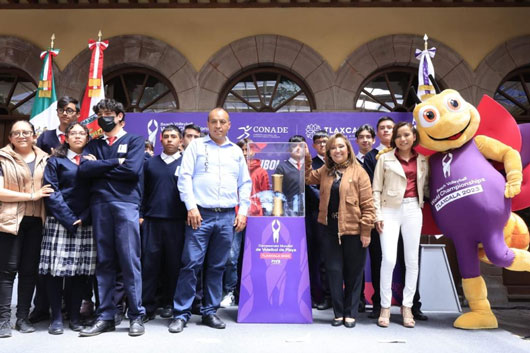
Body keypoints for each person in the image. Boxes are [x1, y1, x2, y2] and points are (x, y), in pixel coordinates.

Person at [170, 108, 251, 333]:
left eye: (222, 122)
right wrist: (191, 206)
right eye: (214, 122)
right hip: (200, 215)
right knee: (191, 264)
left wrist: (243, 211)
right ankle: (181, 313)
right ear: (208, 124)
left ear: (229, 125)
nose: (218, 126)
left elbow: (245, 183)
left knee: (217, 266)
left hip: (226, 216)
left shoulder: (235, 151)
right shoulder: (196, 146)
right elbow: (184, 177)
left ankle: (209, 312)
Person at [78, 99, 146, 337]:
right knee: (104, 262)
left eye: (108, 114)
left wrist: (101, 168)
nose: (104, 117)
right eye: (100, 114)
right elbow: (84, 170)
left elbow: (131, 171)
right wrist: (115, 162)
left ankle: (136, 315)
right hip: (100, 206)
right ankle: (106, 315)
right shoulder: (94, 143)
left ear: (119, 116)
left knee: (129, 261)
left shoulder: (135, 141)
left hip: (126, 205)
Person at [305, 133, 375, 328]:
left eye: (341, 147)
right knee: (334, 272)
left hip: (353, 229)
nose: (337, 151)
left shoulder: (359, 172)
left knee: (353, 273)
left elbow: (368, 205)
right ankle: (338, 313)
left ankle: (350, 312)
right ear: (328, 152)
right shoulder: (325, 171)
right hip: (329, 229)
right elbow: (306, 178)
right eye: (333, 148)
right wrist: (306, 158)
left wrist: (366, 231)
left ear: (348, 149)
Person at [38, 122, 95, 335]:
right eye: (73, 133)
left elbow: (98, 191)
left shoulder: (92, 161)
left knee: (79, 273)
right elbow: (51, 191)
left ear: (88, 137)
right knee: (56, 273)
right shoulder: (55, 161)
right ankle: (56, 318)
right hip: (60, 221)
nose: (78, 136)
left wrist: (85, 216)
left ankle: (75, 316)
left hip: (85, 222)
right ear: (66, 137)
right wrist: (69, 218)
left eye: (82, 133)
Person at [372, 122, 429, 328]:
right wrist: (377, 215)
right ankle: (384, 307)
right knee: (388, 259)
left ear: (414, 136)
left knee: (412, 260)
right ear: (394, 139)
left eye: (407, 135)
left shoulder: (423, 160)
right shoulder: (384, 158)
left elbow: (427, 187)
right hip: (389, 210)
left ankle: (407, 306)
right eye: (398, 136)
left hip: (413, 209)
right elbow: (376, 189)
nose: (403, 139)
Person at [0, 120, 53, 338]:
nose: (22, 136)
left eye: (26, 132)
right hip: (10, 220)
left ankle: (22, 317)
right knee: (7, 270)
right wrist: (32, 196)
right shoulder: (2, 158)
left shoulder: (46, 158)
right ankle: (3, 320)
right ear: (10, 138)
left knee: (29, 272)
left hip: (37, 221)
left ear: (34, 136)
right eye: (17, 133)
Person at [31, 96, 81, 325]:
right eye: (61, 109)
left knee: (78, 268)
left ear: (77, 113)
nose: (65, 113)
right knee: (50, 265)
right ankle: (43, 309)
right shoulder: (46, 137)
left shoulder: (83, 140)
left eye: (70, 110)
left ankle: (74, 310)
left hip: (78, 212)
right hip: (49, 205)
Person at [141, 125, 186, 321]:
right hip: (152, 221)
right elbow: (141, 191)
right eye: (166, 136)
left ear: (181, 141)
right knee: (149, 265)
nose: (169, 140)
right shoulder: (150, 163)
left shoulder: (187, 164)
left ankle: (169, 303)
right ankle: (147, 306)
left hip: (177, 222)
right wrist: (141, 214)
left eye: (174, 136)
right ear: (160, 140)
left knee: (173, 265)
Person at [220, 138, 269, 308]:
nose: (246, 153)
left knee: (255, 257)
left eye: (249, 150)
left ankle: (255, 291)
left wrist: (263, 218)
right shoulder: (231, 170)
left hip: (255, 219)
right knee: (231, 257)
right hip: (235, 217)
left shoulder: (261, 171)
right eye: (243, 149)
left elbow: (264, 197)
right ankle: (230, 292)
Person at [308, 130, 332, 310]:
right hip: (316, 215)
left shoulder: (336, 162)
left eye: (325, 142)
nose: (322, 145)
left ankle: (334, 296)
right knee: (319, 258)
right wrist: (327, 199)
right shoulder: (312, 164)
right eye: (318, 142)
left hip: (337, 215)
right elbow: (310, 187)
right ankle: (321, 296)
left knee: (333, 258)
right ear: (314, 145)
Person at [274, 135, 306, 217]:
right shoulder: (282, 168)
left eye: (301, 145)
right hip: (290, 212)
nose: (298, 148)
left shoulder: (309, 167)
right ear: (289, 149)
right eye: (294, 145)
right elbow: (277, 192)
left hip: (310, 211)